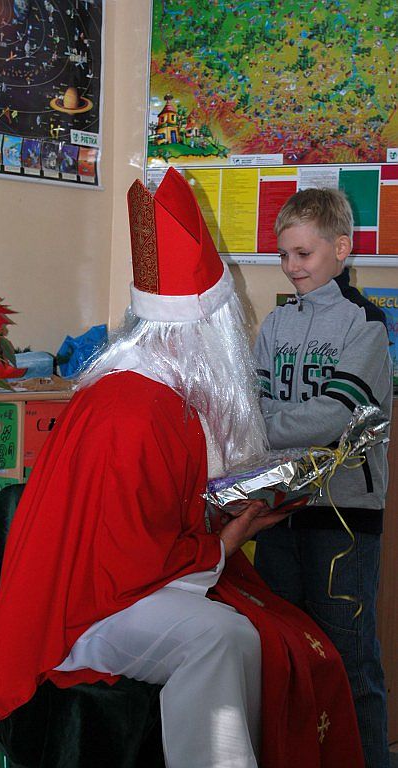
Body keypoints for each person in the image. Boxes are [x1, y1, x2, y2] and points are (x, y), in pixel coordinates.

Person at [0, 170, 364, 768]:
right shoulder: (138, 410)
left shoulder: (156, 392)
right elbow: (131, 561)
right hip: (82, 610)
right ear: (199, 331)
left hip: (106, 586)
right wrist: (228, 538)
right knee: (224, 638)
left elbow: (152, 517)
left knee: (258, 634)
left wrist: (221, 513)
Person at [253, 187, 392, 768]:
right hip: (278, 511)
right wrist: (254, 424)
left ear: (341, 248)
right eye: (284, 254)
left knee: (348, 659)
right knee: (285, 654)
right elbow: (251, 398)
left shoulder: (367, 324)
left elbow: (335, 414)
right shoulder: (274, 323)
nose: (291, 266)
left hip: (343, 517)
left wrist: (261, 429)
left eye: (303, 254)